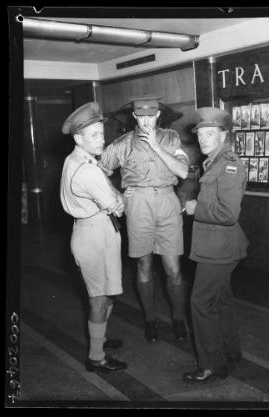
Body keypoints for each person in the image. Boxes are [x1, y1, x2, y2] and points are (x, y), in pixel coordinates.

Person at [100, 96, 189, 343]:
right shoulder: (123, 143)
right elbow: (100, 170)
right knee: (144, 265)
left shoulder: (171, 138)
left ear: (158, 115)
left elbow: (182, 171)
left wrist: (155, 146)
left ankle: (178, 318)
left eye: (151, 115)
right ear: (135, 116)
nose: (146, 120)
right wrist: (116, 194)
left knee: (173, 269)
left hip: (167, 203)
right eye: (141, 116)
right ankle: (150, 319)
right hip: (138, 204)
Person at [182, 107, 249, 383]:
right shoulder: (214, 161)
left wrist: (196, 207)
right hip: (218, 245)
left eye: (211, 134)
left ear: (224, 134)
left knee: (200, 302)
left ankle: (212, 364)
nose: (204, 139)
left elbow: (228, 213)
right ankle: (231, 351)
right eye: (201, 135)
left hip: (218, 248)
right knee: (221, 299)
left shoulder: (229, 165)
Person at [60, 102, 127, 373]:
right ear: (78, 138)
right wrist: (121, 196)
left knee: (108, 293)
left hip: (95, 231)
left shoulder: (78, 159)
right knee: (99, 299)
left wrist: (112, 193)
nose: (102, 140)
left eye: (102, 133)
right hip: (94, 236)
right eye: (94, 136)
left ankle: (101, 338)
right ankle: (96, 357)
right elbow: (118, 206)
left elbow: (106, 186)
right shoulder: (87, 169)